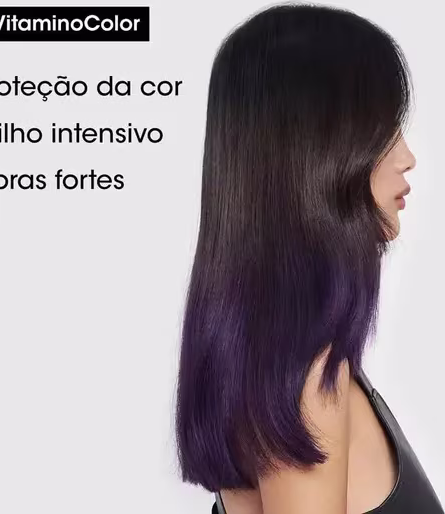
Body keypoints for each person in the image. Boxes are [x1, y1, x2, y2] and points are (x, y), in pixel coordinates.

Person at [175, 3, 444, 513]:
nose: (407, 157)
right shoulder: (305, 381)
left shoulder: (271, 361)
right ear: (318, 148)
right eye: (382, 129)